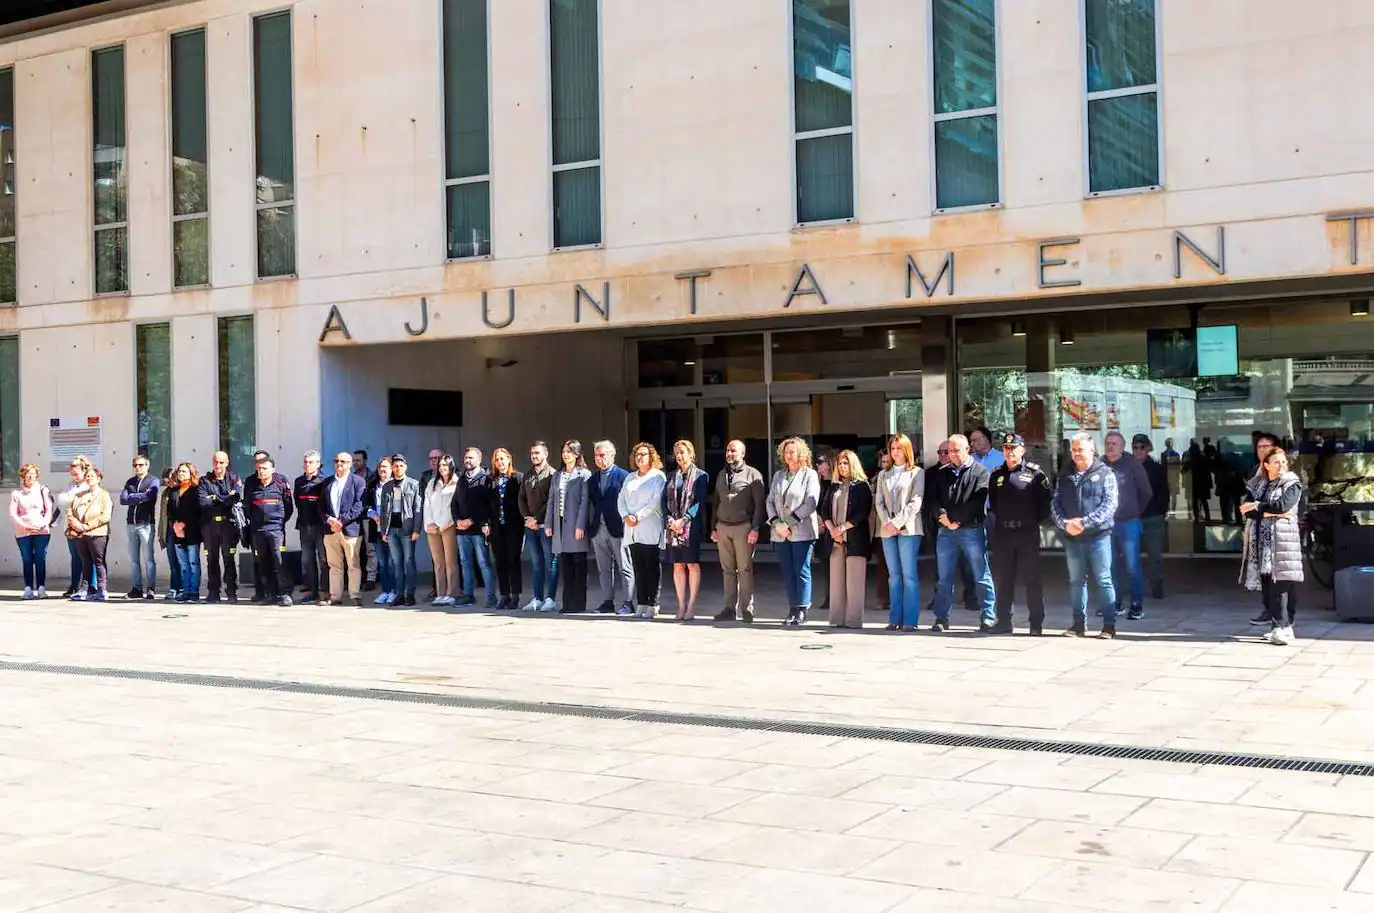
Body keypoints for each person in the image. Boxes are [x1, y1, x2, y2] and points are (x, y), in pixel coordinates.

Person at [1053, 433, 1119, 638]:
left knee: (1104, 580)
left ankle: (1109, 625)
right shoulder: (1064, 476)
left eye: (1080, 449)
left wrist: (1084, 522)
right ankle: (1078, 624)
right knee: (1076, 581)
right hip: (1072, 538)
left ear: (1092, 451)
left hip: (1098, 536)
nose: (1076, 454)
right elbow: (1055, 503)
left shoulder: (1106, 473)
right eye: (1073, 450)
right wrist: (1065, 524)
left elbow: (1110, 505)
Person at [929, 434, 996, 633]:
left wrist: (956, 520)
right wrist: (942, 517)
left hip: (971, 530)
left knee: (981, 575)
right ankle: (941, 618)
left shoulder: (981, 472)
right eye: (950, 451)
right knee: (944, 578)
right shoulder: (942, 473)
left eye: (956, 450)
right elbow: (933, 499)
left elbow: (977, 502)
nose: (953, 455)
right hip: (945, 532)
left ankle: (988, 617)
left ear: (968, 450)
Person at [988, 433, 1052, 636]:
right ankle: (1004, 620)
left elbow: (1045, 505)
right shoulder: (997, 475)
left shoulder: (1035, 474)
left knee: (1032, 579)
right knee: (1004, 579)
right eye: (1006, 448)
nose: (1009, 452)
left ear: (1022, 450)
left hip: (1026, 533)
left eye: (1013, 448)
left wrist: (1029, 521)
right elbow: (994, 504)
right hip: (1004, 533)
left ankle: (1036, 623)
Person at [1239, 446, 1304, 645]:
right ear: (1266, 465)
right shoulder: (1261, 485)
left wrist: (1259, 507)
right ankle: (1280, 626)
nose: (1281, 465)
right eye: (1276, 462)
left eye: (1283, 461)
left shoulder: (1292, 484)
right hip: (1263, 544)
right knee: (1268, 587)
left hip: (1283, 542)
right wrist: (1263, 510)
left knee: (1281, 585)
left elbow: (1282, 506)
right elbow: (1246, 510)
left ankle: (1282, 626)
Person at [710, 438, 766, 623]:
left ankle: (747, 608)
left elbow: (759, 505)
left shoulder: (753, 475)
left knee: (744, 569)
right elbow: (716, 502)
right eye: (727, 450)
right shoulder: (720, 474)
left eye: (733, 451)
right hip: (723, 527)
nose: (729, 454)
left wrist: (755, 528)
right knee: (727, 570)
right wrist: (713, 527)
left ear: (742, 453)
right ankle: (728, 608)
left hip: (743, 527)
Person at [767, 436, 821, 627]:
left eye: (792, 452)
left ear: (801, 453)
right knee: (788, 571)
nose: (789, 456)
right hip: (781, 532)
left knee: (801, 570)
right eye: (786, 452)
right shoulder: (778, 475)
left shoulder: (810, 475)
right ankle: (792, 607)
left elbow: (810, 502)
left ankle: (802, 608)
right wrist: (777, 523)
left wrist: (789, 522)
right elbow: (770, 501)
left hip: (801, 531)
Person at [874, 433, 924, 631]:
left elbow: (915, 502)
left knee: (909, 575)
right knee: (893, 575)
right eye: (892, 448)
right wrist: (888, 522)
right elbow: (878, 502)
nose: (895, 452)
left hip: (909, 530)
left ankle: (910, 620)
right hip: (887, 530)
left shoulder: (916, 473)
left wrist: (897, 523)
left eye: (899, 448)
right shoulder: (883, 474)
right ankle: (895, 618)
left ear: (907, 450)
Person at [819, 449, 873, 629]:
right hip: (835, 539)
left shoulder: (862, 486)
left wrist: (842, 528)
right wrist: (833, 529)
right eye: (840, 463)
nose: (842, 467)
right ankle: (837, 619)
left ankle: (854, 621)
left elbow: (862, 513)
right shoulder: (834, 486)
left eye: (846, 463)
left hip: (855, 539)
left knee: (854, 583)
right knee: (836, 582)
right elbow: (824, 509)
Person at [1103, 431, 1151, 621]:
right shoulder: (1100, 465)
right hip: (1107, 524)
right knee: (1110, 565)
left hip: (1129, 523)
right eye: (1107, 443)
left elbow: (1146, 492)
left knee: (1132, 566)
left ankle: (1136, 604)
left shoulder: (1132, 464)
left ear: (1122, 447)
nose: (1110, 447)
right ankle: (1115, 603)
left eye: (1114, 444)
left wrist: (1135, 511)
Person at [663, 439, 709, 622]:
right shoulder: (671, 476)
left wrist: (684, 519)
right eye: (677, 453)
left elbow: (699, 501)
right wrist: (670, 519)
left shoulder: (701, 476)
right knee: (677, 565)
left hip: (691, 527)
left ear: (691, 454)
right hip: (673, 526)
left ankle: (691, 606)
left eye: (683, 452)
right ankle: (680, 604)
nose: (680, 456)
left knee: (692, 564)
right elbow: (663, 501)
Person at [620, 442, 667, 619]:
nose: (639, 457)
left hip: (649, 526)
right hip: (631, 529)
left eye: (643, 454)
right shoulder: (630, 477)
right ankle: (641, 603)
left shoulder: (658, 477)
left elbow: (655, 501)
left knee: (651, 566)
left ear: (651, 457)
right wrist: (626, 516)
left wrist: (637, 516)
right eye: (637, 454)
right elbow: (621, 498)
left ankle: (653, 603)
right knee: (638, 567)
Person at [545, 439, 591, 614]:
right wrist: (549, 523)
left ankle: (578, 604)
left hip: (575, 525)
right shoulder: (558, 476)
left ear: (577, 454)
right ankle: (567, 602)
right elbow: (551, 501)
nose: (566, 454)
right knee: (566, 565)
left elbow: (584, 503)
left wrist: (580, 525)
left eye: (570, 451)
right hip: (560, 525)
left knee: (579, 565)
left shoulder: (584, 475)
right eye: (564, 451)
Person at [587, 440, 633, 615]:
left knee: (625, 567)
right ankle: (607, 602)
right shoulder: (593, 479)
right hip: (599, 529)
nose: (599, 459)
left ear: (612, 455)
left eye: (602, 455)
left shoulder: (623, 476)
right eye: (596, 455)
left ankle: (628, 602)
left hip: (618, 528)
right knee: (603, 568)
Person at [246, 457, 294, 606]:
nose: (261, 471)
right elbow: (248, 508)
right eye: (259, 468)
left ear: (272, 470)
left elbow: (288, 507)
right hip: (258, 530)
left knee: (279, 561)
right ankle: (271, 594)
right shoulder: (253, 486)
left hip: (276, 530)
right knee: (263, 563)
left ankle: (285, 594)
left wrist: (278, 522)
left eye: (265, 468)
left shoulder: (280, 484)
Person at [322, 451, 366, 607]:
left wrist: (342, 521)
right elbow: (321, 507)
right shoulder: (327, 483)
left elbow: (359, 506)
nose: (339, 464)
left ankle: (354, 595)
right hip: (330, 530)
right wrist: (329, 519)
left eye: (342, 461)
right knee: (334, 565)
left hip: (350, 530)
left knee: (353, 564)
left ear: (350, 464)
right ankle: (335, 596)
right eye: (336, 461)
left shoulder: (358, 482)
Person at [197, 451, 243, 604]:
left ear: (227, 463)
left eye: (221, 462)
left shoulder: (234, 478)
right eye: (216, 462)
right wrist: (224, 497)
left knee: (229, 558)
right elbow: (203, 502)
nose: (218, 465)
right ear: (212, 463)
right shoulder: (204, 481)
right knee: (211, 560)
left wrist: (215, 498)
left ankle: (231, 593)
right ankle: (213, 593)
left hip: (228, 525)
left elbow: (235, 498)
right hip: (209, 526)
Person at [454, 446, 497, 608]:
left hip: (478, 529)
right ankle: (468, 595)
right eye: (466, 458)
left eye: (471, 458)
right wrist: (457, 519)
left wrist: (472, 520)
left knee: (483, 562)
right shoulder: (462, 479)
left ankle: (491, 597)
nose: (467, 461)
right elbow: (455, 503)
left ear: (479, 460)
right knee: (465, 563)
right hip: (461, 530)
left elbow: (487, 506)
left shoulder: (486, 478)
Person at [519, 441, 557, 612]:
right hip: (530, 527)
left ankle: (551, 598)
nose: (534, 456)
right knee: (536, 564)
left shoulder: (553, 474)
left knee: (550, 563)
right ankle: (537, 598)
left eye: (537, 453)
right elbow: (521, 498)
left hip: (545, 526)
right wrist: (527, 517)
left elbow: (551, 501)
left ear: (545, 454)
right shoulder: (528, 475)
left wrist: (537, 518)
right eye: (532, 453)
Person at [485, 448, 525, 610]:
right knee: (500, 561)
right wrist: (485, 523)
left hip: (513, 526)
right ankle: (504, 595)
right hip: (496, 527)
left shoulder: (517, 478)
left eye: (502, 459)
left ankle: (515, 595)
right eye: (497, 460)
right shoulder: (490, 480)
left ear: (509, 459)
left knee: (513, 560)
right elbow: (486, 504)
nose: (500, 462)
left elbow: (522, 501)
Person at [381, 454, 422, 607]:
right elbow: (383, 510)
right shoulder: (387, 486)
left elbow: (418, 508)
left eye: (400, 466)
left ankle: (410, 594)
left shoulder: (414, 484)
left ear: (406, 467)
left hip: (407, 529)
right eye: (395, 466)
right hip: (391, 530)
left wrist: (417, 529)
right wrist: (383, 531)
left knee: (409, 561)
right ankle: (399, 594)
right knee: (396, 563)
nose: (398, 468)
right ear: (392, 468)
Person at [67, 465, 112, 602]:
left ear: (98, 479)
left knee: (99, 562)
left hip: (97, 534)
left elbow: (105, 516)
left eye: (92, 476)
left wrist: (86, 526)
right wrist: (75, 524)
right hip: (81, 535)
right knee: (85, 561)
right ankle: (84, 590)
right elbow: (70, 512)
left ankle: (102, 589)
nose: (89, 478)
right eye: (87, 476)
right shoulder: (79, 495)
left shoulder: (104, 495)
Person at [10, 463, 54, 599]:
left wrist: (44, 524)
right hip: (23, 532)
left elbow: (49, 509)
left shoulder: (43, 490)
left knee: (40, 558)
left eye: (33, 473)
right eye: (28, 473)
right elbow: (13, 513)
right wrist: (25, 525)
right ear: (23, 475)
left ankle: (41, 588)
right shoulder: (16, 493)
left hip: (42, 531)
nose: (30, 476)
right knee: (27, 559)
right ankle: (28, 588)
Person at [118, 455, 159, 600]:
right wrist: (139, 497)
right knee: (134, 559)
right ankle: (136, 588)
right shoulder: (130, 481)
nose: (138, 467)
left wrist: (133, 497)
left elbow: (151, 496)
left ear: (147, 466)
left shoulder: (153, 480)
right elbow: (123, 499)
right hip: (131, 524)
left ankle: (151, 589)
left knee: (149, 558)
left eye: (141, 465)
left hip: (146, 524)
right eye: (135, 465)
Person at [1133, 434, 1168, 601]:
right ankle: (1133, 587)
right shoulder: (1128, 467)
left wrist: (1161, 511)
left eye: (1141, 447)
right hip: (1132, 518)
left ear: (1148, 448)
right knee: (1130, 555)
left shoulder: (1156, 468)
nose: (1138, 450)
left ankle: (1157, 584)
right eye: (1135, 447)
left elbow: (1164, 492)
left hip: (1152, 516)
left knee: (1154, 555)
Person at [423, 453, 461, 607]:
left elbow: (456, 507)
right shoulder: (432, 483)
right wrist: (429, 523)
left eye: (445, 465)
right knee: (438, 562)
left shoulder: (457, 483)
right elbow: (426, 504)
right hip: (433, 528)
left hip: (449, 526)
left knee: (450, 561)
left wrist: (446, 523)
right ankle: (440, 593)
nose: (442, 468)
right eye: (440, 465)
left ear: (451, 466)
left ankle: (452, 593)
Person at [293, 450, 329, 604]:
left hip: (320, 527)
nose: (308, 464)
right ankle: (312, 592)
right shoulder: (299, 481)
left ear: (318, 464)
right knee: (307, 561)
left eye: (311, 462)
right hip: (304, 525)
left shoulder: (324, 481)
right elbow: (297, 502)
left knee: (323, 560)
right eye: (306, 462)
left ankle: (325, 591)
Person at [55, 456, 92, 598]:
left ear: (84, 471)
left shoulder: (88, 485)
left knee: (86, 557)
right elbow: (61, 501)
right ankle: (74, 585)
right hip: (70, 527)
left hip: (84, 526)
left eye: (76, 473)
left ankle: (87, 585)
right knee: (75, 557)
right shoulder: (70, 486)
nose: (74, 476)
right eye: (72, 474)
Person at [167, 461, 203, 603]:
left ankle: (194, 592)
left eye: (184, 471)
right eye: (180, 471)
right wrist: (176, 526)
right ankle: (186, 591)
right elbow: (170, 511)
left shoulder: (196, 490)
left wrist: (184, 524)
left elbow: (196, 511)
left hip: (192, 531)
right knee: (183, 564)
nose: (181, 474)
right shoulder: (174, 491)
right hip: (177, 533)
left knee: (193, 562)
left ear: (191, 473)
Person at [366, 458, 396, 605]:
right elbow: (365, 505)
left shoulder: (396, 485)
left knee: (392, 562)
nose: (382, 470)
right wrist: (373, 515)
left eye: (385, 467)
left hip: (392, 530)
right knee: (383, 563)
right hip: (376, 529)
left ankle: (395, 591)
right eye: (380, 467)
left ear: (391, 469)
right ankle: (385, 591)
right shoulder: (372, 485)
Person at [418, 448, 444, 602]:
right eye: (431, 458)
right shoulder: (425, 476)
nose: (434, 461)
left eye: (437, 458)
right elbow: (422, 501)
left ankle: (454, 588)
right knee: (436, 559)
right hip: (432, 522)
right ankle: (437, 588)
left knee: (452, 558)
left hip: (448, 522)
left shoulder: (454, 474)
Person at [870, 450, 892, 615]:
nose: (885, 464)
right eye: (883, 462)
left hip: (897, 527)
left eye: (888, 461)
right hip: (879, 528)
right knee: (882, 566)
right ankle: (882, 598)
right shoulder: (875, 480)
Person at [156, 467, 181, 601]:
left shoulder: (182, 490)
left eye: (170, 481)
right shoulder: (166, 493)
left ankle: (183, 588)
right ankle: (174, 588)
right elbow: (162, 515)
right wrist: (161, 533)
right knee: (173, 561)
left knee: (183, 561)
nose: (169, 484)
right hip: (169, 530)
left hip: (182, 530)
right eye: (166, 483)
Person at [352, 449, 376, 590]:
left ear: (365, 461)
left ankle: (371, 578)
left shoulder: (373, 477)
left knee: (370, 549)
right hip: (354, 518)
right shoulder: (351, 477)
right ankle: (357, 579)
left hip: (368, 516)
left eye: (358, 460)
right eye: (354, 460)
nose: (356, 463)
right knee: (355, 549)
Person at [813, 452, 834, 613]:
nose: (818, 466)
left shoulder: (836, 483)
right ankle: (829, 596)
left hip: (834, 528)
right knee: (825, 565)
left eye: (821, 462)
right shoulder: (817, 483)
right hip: (820, 529)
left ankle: (836, 596)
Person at [1185, 440, 1212, 522]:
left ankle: (1196, 517)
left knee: (1195, 502)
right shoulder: (1204, 459)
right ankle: (1207, 516)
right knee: (1204, 501)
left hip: (1194, 483)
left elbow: (1183, 471)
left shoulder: (1191, 460)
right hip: (1203, 483)